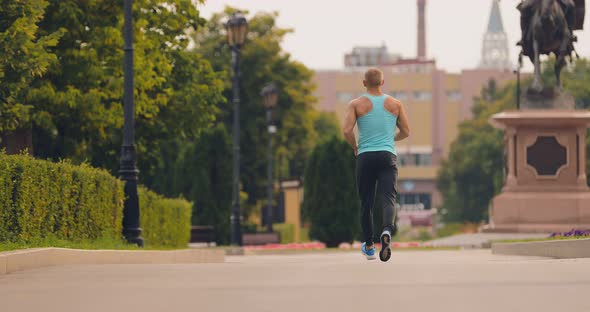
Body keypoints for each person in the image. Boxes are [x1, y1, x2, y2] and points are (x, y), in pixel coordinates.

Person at [342, 67, 410, 262]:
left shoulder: (355, 104)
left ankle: (370, 246)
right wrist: (391, 138)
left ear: (364, 83)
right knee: (388, 197)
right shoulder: (395, 104)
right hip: (388, 156)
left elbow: (347, 131)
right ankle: (386, 231)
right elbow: (406, 131)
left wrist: (355, 147)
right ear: (382, 82)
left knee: (366, 202)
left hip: (365, 157)